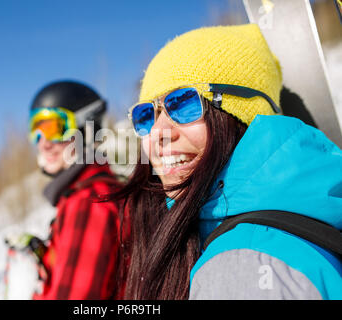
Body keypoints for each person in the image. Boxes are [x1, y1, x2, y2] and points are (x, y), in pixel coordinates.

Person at [117, 24, 342, 300]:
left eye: (183, 103)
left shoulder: (243, 267)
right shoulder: (287, 223)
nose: (158, 133)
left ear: (240, 115)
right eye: (146, 115)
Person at [28, 80, 121, 299]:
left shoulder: (89, 201)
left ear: (86, 128)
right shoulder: (79, 194)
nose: (43, 143)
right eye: (37, 130)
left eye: (52, 128)